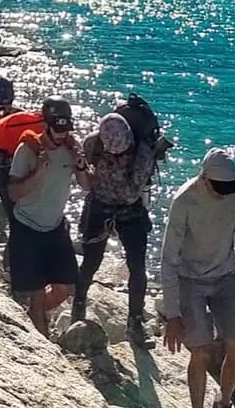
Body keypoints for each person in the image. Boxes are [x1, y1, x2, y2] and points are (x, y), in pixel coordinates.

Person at [160, 148, 235, 408]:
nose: (224, 192)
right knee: (201, 352)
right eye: (219, 187)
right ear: (204, 178)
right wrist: (172, 315)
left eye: (229, 187)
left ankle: (223, 401)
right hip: (190, 281)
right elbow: (169, 259)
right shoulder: (184, 200)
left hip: (225, 278)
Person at [73, 112, 160, 344]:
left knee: (137, 267)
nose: (119, 156)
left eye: (122, 153)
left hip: (130, 210)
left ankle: (135, 322)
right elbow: (85, 180)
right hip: (99, 204)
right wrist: (82, 170)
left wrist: (107, 177)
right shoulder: (93, 144)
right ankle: (78, 307)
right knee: (91, 261)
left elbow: (131, 193)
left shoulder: (142, 154)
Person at [7, 96, 90, 335]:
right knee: (36, 294)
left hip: (55, 226)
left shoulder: (72, 148)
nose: (62, 134)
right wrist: (38, 173)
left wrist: (81, 166)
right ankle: (41, 339)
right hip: (27, 228)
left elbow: (86, 185)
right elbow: (13, 193)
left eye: (66, 128)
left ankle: (31, 317)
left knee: (64, 288)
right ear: (46, 124)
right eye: (57, 128)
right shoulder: (28, 150)